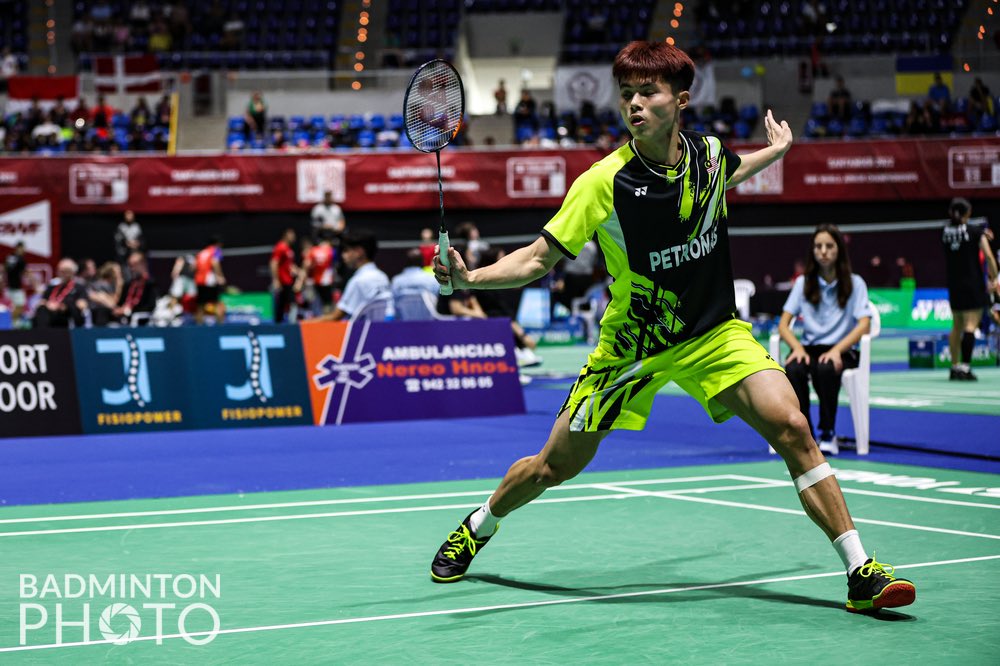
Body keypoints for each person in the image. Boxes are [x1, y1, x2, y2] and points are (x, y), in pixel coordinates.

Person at [428, 41, 915, 614]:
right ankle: (480, 523)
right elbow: (538, 258)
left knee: (791, 426)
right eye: (626, 94)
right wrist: (470, 280)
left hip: (714, 334)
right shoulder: (602, 183)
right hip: (632, 347)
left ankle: (861, 571)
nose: (633, 104)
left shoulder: (708, 157)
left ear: (680, 99)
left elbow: (736, 170)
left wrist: (776, 151)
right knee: (551, 467)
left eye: (648, 92)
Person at [777, 225, 871, 456]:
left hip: (843, 351)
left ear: (839, 249)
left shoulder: (855, 283)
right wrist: (797, 348)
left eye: (829, 246)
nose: (823, 251)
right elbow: (783, 324)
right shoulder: (803, 283)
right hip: (810, 348)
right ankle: (805, 432)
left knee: (826, 368)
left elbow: (864, 324)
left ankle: (828, 432)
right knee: (794, 368)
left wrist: (838, 350)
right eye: (818, 246)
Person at [942, 198, 999, 381]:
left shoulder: (945, 232)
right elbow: (989, 257)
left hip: (954, 284)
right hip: (973, 284)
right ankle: (965, 367)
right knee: (970, 325)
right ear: (967, 213)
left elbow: (960, 229)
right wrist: (994, 277)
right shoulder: (976, 232)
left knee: (956, 326)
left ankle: (954, 366)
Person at [314, 230, 390, 322]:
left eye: (346, 251)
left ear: (359, 252)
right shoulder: (383, 277)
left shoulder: (358, 281)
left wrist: (303, 324)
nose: (343, 256)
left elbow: (335, 317)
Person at [32, 258, 89, 328]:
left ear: (73, 272)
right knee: (41, 310)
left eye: (66, 271)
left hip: (66, 315)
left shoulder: (79, 287)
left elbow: (82, 304)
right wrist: (48, 305)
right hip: (50, 313)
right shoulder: (52, 286)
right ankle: (41, 335)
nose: (63, 274)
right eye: (61, 271)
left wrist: (62, 306)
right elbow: (43, 301)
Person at [299, 230, 337, 316]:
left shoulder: (313, 250)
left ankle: (316, 318)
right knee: (327, 304)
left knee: (314, 303)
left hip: (314, 281)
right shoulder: (331, 251)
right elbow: (333, 266)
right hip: (326, 281)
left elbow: (306, 266)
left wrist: (300, 281)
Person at [114, 252, 158, 324]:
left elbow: (150, 306)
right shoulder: (128, 284)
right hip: (122, 319)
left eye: (134, 265)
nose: (132, 269)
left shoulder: (151, 284)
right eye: (130, 265)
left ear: (143, 264)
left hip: (141, 322)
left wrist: (128, 311)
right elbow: (120, 303)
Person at [194, 235, 226, 325]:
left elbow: (194, 267)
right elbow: (215, 262)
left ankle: (199, 325)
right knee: (217, 302)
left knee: (200, 304)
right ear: (218, 243)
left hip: (199, 281)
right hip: (210, 281)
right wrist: (220, 276)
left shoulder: (201, 252)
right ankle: (220, 325)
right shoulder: (216, 250)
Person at [270, 228, 298, 324]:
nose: (294, 237)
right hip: (283, 281)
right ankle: (292, 325)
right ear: (286, 235)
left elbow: (289, 265)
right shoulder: (280, 247)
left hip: (288, 280)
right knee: (292, 303)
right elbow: (274, 263)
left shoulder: (288, 249)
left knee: (282, 304)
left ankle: (280, 324)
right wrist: (276, 280)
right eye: (292, 235)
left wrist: (298, 271)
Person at [86, 261, 123, 327]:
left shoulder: (110, 284)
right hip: (100, 316)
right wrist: (119, 286)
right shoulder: (103, 284)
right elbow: (113, 302)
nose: (120, 274)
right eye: (117, 271)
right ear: (111, 272)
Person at [3, 241, 27, 326]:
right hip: (16, 288)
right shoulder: (21, 259)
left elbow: (4, 269)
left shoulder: (9, 257)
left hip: (9, 287)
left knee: (13, 307)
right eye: (23, 248)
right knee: (20, 305)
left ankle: (13, 323)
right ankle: (13, 323)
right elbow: (25, 272)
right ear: (18, 248)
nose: (24, 250)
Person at [114, 210, 145, 274]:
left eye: (130, 215)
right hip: (124, 254)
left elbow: (141, 239)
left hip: (134, 252)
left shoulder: (136, 226)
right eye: (127, 215)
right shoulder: (121, 226)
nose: (129, 217)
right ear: (125, 216)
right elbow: (118, 239)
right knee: (125, 271)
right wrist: (127, 243)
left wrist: (137, 243)